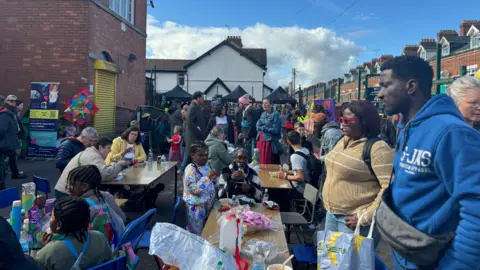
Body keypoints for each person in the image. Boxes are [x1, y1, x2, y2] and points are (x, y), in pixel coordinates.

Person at [376, 55, 480, 269]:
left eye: (386, 85)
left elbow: (476, 207)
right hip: (405, 255)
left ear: (411, 86)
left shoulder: (452, 132)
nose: (380, 94)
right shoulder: (408, 127)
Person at [322, 101, 394, 248]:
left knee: (350, 265)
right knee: (331, 262)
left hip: (353, 221)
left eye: (348, 120)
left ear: (364, 122)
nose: (342, 124)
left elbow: (389, 188)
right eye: (341, 119)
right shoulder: (344, 140)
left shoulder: (378, 148)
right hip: (332, 214)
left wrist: (365, 216)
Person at [35, 197, 113, 269]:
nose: (50, 218)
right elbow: (110, 261)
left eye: (52, 216)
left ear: (59, 225)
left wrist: (43, 248)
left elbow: (38, 264)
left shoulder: (50, 251)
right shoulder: (100, 237)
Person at [66, 165, 126, 240]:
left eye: (71, 184)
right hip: (117, 243)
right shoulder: (106, 196)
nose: (68, 187)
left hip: (97, 247)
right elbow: (123, 218)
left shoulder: (80, 206)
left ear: (84, 186)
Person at [55, 137, 127, 198]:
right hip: (66, 193)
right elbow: (104, 174)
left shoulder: (92, 153)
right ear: (100, 147)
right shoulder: (92, 156)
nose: (110, 151)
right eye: (108, 148)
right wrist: (119, 165)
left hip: (69, 189)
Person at [183, 142, 219, 235]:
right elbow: (195, 191)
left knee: (207, 230)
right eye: (200, 155)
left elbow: (211, 183)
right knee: (197, 234)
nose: (204, 157)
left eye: (206, 155)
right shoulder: (190, 170)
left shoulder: (206, 166)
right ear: (193, 156)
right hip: (196, 208)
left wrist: (214, 179)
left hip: (207, 205)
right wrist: (207, 178)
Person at [4, 95, 26, 179]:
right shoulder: (7, 111)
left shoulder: (14, 111)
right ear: (6, 101)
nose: (13, 103)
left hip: (15, 135)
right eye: (11, 101)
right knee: (11, 155)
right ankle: (8, 171)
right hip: (10, 136)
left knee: (13, 155)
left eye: (14, 101)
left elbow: (17, 123)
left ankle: (14, 172)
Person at [0, 95, 20, 189]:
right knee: (4, 163)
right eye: (11, 101)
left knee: (2, 164)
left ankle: (1, 184)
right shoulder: (6, 113)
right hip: (6, 143)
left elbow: (1, 130)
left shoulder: (4, 114)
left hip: (4, 144)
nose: (13, 103)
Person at [256, 98, 282, 164]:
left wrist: (264, 128)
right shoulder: (263, 114)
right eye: (263, 103)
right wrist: (259, 127)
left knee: (269, 162)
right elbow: (258, 124)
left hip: (270, 142)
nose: (264, 105)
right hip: (261, 140)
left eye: (266, 103)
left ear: (271, 105)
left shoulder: (275, 115)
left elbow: (276, 130)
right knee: (261, 162)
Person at [185, 92, 207, 160]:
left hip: (197, 138)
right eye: (202, 98)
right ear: (198, 98)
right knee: (193, 159)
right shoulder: (192, 107)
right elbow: (189, 122)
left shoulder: (197, 107)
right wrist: (199, 132)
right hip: (194, 138)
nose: (203, 99)